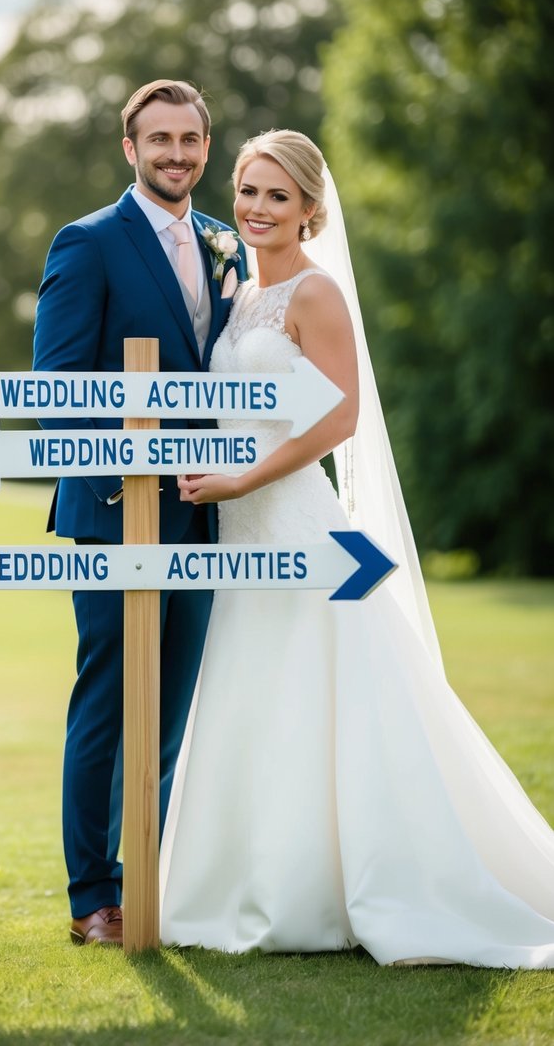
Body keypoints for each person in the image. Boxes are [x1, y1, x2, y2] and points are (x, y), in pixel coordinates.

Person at [160, 128, 554, 967]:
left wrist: (244, 480)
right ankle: (242, 888)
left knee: (332, 700)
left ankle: (357, 886)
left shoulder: (315, 295)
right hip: (241, 542)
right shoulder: (235, 298)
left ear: (310, 208)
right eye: (247, 190)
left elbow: (337, 419)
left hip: (295, 526)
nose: (256, 208)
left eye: (276, 195)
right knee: (253, 699)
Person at [32, 79, 245, 947]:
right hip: (113, 511)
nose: (175, 155)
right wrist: (147, 461)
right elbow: (56, 397)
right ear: (129, 149)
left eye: (189, 140)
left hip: (201, 519)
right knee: (109, 704)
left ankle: (156, 882)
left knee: (176, 707)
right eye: (157, 140)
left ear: (205, 146)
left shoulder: (226, 244)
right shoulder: (86, 244)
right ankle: (93, 898)